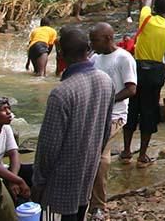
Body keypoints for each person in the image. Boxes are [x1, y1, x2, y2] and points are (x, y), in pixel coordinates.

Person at [32, 26, 114, 221]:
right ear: (88, 49)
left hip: (58, 187)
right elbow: (105, 132)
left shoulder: (62, 92)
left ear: (60, 53)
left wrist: (38, 183)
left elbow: (48, 147)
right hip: (86, 176)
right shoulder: (106, 81)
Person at [122, 0, 165, 168]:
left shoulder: (145, 17)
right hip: (156, 73)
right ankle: (142, 156)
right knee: (149, 112)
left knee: (132, 108)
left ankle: (126, 152)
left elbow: (145, 4)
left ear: (155, 9)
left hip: (137, 69)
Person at [89, 22, 136, 219]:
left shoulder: (123, 58)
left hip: (116, 115)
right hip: (95, 114)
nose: (92, 44)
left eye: (95, 40)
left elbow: (131, 89)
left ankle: (98, 205)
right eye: (90, 40)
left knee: (100, 156)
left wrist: (108, 100)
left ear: (108, 39)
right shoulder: (94, 59)